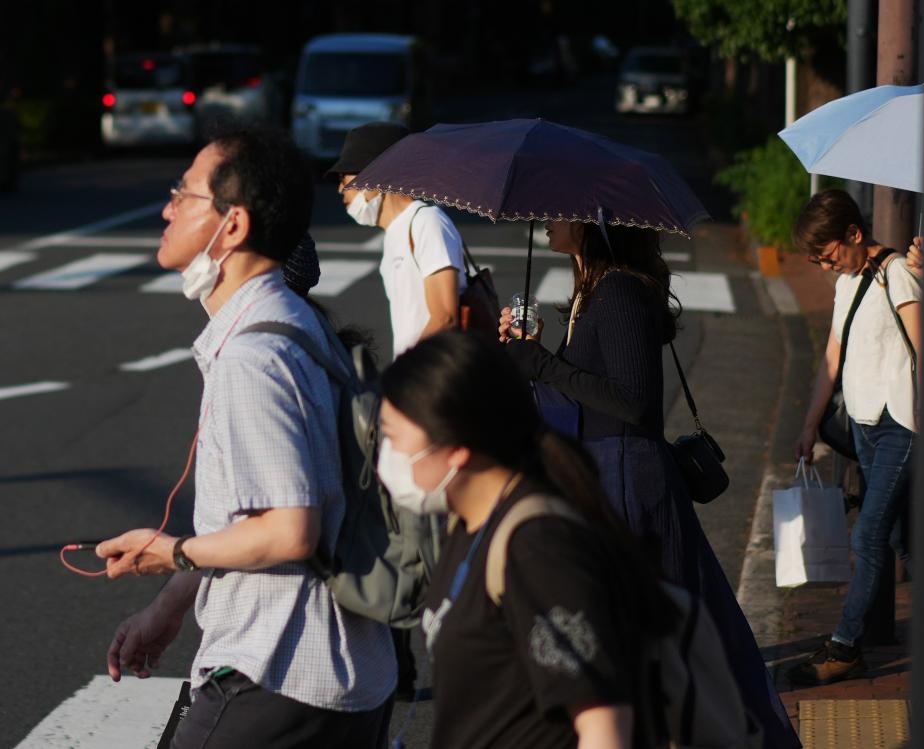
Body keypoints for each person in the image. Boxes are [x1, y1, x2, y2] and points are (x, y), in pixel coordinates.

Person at [95, 127, 396, 747]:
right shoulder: (294, 322)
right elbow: (252, 518)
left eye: (184, 194)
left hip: (280, 671)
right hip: (344, 669)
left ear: (231, 226)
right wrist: (168, 608)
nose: (167, 209)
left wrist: (174, 552)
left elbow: (289, 531)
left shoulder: (254, 357)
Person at [500, 221, 800, 749]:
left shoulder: (618, 291)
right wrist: (536, 354)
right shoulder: (593, 288)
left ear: (591, 222)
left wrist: (542, 364)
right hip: (609, 477)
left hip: (628, 484)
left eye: (561, 211)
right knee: (654, 646)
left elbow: (633, 401)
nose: (548, 218)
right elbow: (589, 390)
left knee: (667, 646)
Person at [379, 330, 678, 749]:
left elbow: (603, 724)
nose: (388, 456)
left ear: (456, 447)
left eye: (394, 438)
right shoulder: (470, 523)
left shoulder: (536, 546)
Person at [790, 188, 922, 685]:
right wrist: (810, 424)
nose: (826, 266)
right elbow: (832, 355)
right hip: (864, 424)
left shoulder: (898, 273)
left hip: (901, 425)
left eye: (828, 255)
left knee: (867, 536)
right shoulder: (847, 281)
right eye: (818, 261)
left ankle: (845, 648)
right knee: (900, 537)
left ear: (853, 233)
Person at [325, 121, 467, 357]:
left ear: (377, 175)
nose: (340, 189)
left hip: (434, 373)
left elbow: (445, 318)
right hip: (416, 370)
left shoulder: (426, 222)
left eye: (344, 177)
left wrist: (404, 373)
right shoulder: (395, 233)